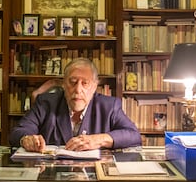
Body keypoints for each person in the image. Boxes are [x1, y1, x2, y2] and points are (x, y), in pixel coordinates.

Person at [9, 58, 141, 152]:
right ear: (63, 84)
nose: (78, 90)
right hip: (52, 178)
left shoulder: (109, 106)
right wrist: (26, 139)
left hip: (94, 177)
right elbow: (17, 132)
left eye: (85, 83)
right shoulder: (45, 103)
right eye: (72, 82)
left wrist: (99, 139)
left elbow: (133, 135)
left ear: (94, 86)